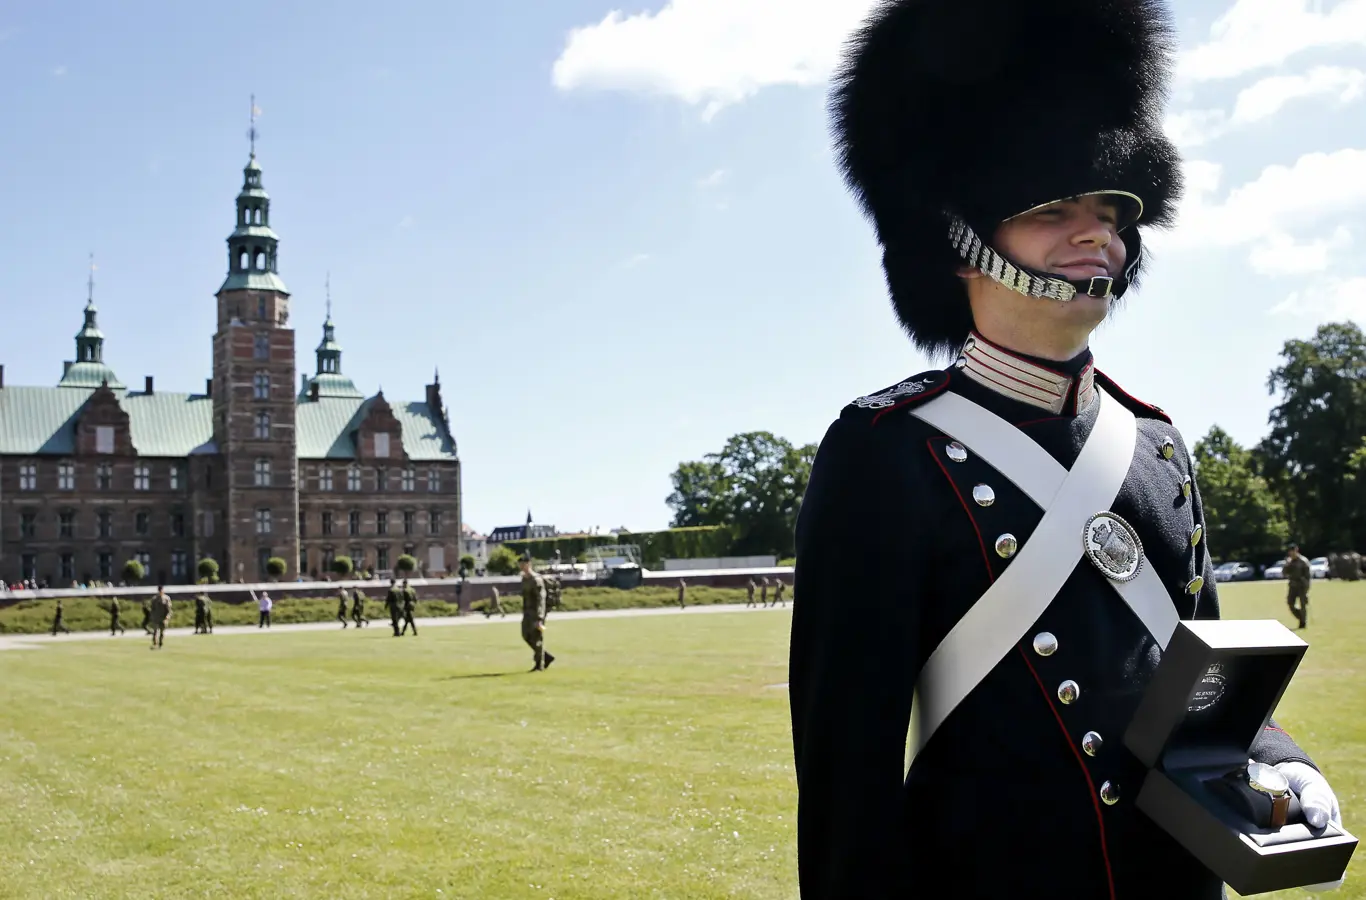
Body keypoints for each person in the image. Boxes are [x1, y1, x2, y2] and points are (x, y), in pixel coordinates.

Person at [787, 2, 1345, 897]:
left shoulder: (1155, 444)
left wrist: (1277, 754)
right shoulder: (882, 454)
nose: (1098, 234)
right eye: (1054, 208)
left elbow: (1199, 667)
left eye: (1110, 210)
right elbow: (847, 784)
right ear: (958, 243)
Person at [520, 553, 555, 671]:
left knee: (537, 638)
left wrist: (540, 617)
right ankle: (545, 656)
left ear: (529, 564)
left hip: (536, 613)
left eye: (523, 564)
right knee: (525, 635)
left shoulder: (536, 580)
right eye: (520, 564)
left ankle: (539, 664)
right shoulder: (524, 579)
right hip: (527, 613)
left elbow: (541, 599)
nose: (521, 566)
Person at [1285, 545, 1312, 630]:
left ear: (1296, 551)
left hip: (1302, 585)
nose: (1291, 553)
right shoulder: (1289, 561)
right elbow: (1284, 573)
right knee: (1290, 603)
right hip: (1292, 585)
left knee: (1303, 604)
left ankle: (1303, 623)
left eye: (1293, 551)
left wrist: (1307, 588)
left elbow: (1308, 576)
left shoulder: (1303, 561)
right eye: (1290, 551)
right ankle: (1301, 618)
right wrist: (1287, 565)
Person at [149, 584, 170, 649]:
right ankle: (155, 642)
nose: (160, 591)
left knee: (162, 631)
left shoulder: (166, 598)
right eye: (159, 590)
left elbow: (168, 608)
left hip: (163, 617)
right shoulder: (154, 599)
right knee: (155, 631)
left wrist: (167, 616)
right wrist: (152, 616)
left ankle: (160, 643)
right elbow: (152, 608)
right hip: (156, 617)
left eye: (161, 590)